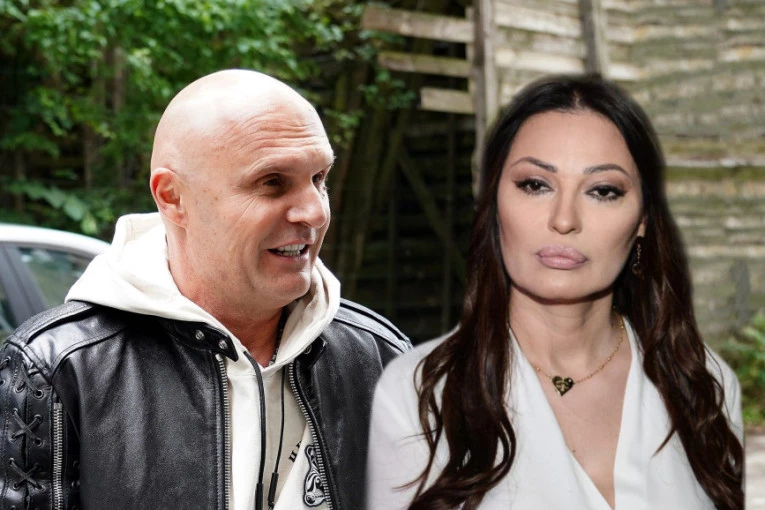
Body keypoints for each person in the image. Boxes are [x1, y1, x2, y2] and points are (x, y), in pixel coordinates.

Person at [0, 69, 409, 510]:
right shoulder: (60, 371)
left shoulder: (381, 359)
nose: (314, 212)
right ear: (173, 197)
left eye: (319, 178)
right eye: (272, 182)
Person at [367, 75, 743, 510]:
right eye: (535, 185)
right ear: (494, 203)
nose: (564, 220)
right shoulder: (417, 396)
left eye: (603, 191)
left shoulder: (708, 387)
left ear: (643, 219)